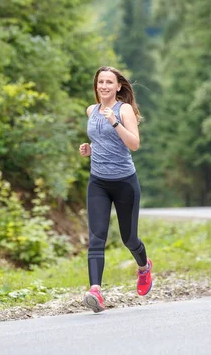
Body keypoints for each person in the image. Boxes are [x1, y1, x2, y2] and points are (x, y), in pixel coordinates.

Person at [78, 66, 152, 313]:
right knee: (96, 238)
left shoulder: (124, 110)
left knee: (129, 238)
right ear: (96, 85)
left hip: (124, 183)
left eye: (109, 82)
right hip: (98, 182)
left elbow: (134, 144)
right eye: (101, 82)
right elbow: (100, 140)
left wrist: (115, 122)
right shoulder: (91, 110)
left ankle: (144, 268)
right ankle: (95, 291)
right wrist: (89, 149)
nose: (104, 86)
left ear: (118, 86)